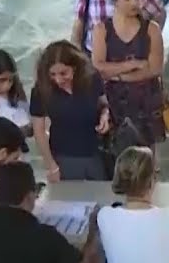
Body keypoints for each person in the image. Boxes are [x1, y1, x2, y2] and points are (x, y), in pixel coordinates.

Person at [92, 0, 167, 155]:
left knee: (146, 150)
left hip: (145, 100)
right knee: (113, 148)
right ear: (115, 1)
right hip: (113, 100)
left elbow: (155, 69)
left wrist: (116, 75)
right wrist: (133, 64)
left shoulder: (152, 29)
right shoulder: (102, 30)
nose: (135, 2)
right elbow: (98, 66)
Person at [31, 41, 112, 182]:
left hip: (95, 152)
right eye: (53, 74)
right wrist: (51, 165)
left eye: (63, 73)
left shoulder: (92, 79)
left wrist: (105, 116)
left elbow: (104, 104)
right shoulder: (41, 90)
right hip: (63, 156)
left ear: (75, 67)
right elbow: (38, 131)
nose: (58, 79)